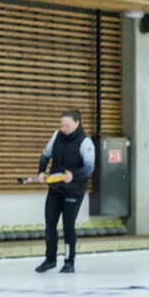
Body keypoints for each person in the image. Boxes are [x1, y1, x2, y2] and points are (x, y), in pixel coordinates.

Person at [35, 110, 95, 274]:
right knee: (50, 225)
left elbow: (89, 168)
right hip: (55, 188)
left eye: (67, 125)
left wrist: (73, 176)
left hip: (74, 190)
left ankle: (69, 261)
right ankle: (50, 259)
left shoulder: (85, 142)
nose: (64, 128)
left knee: (68, 226)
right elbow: (45, 155)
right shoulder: (56, 136)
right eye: (62, 125)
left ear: (77, 123)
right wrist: (41, 171)